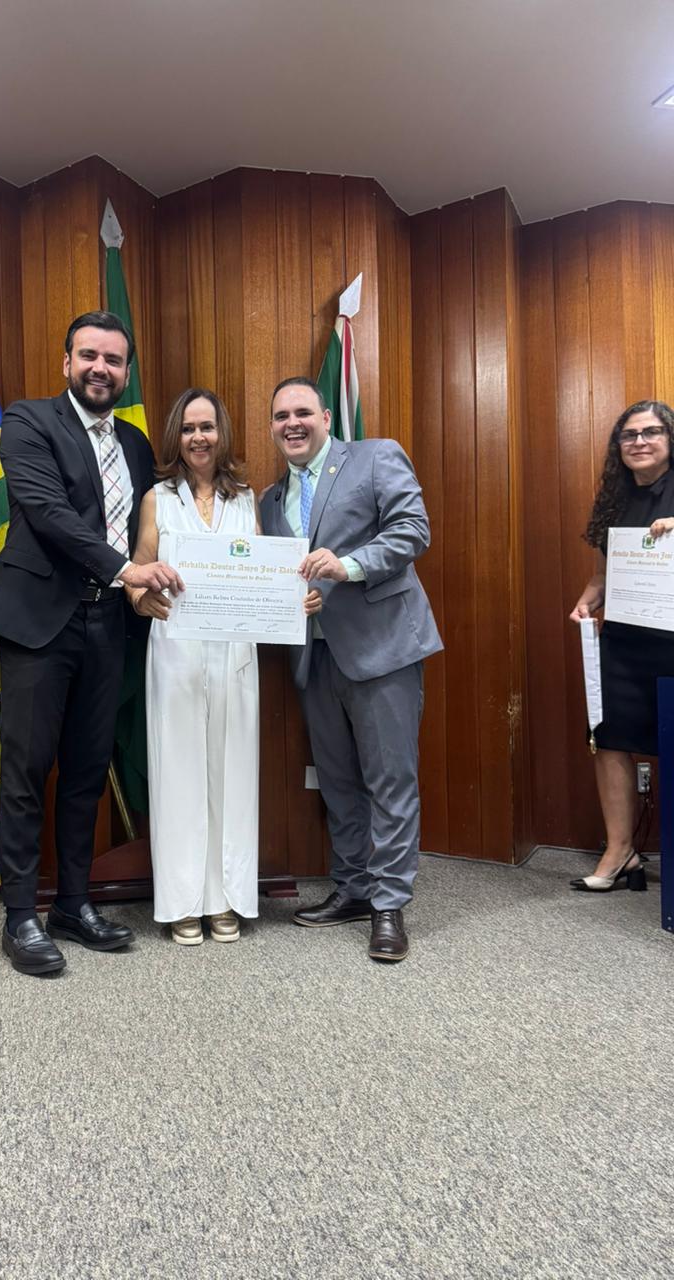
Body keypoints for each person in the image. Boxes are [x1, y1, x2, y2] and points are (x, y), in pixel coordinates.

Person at [0, 311, 183, 976]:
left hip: (109, 623)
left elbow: (156, 525)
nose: (100, 368)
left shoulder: (137, 444)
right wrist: (127, 571)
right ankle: (20, 917)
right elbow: (49, 514)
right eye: (89, 355)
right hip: (42, 619)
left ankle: (72, 903)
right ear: (67, 362)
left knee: (88, 772)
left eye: (113, 360)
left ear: (126, 372)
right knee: (28, 771)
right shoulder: (28, 421)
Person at [128, 387, 322, 944]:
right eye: (189, 428)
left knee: (233, 775)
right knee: (179, 774)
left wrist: (297, 600)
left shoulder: (245, 499)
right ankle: (184, 902)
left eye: (207, 427)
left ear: (222, 434)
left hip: (235, 655)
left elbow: (264, 577)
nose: (199, 437)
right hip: (176, 651)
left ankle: (227, 898)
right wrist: (142, 599)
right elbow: (137, 573)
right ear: (177, 435)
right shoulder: (157, 499)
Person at [259, 377, 442, 962]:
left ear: (325, 418)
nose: (292, 423)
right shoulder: (268, 500)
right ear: (272, 427)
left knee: (390, 780)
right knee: (337, 782)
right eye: (281, 416)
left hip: (383, 648)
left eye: (302, 412)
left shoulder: (375, 457)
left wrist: (349, 566)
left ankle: (389, 904)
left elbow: (413, 530)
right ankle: (355, 888)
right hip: (314, 656)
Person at [568, 400, 674, 892]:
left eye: (652, 432)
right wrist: (585, 603)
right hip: (625, 642)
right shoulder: (613, 499)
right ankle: (620, 851)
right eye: (629, 435)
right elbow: (602, 576)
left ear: (670, 439)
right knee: (609, 740)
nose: (639, 441)